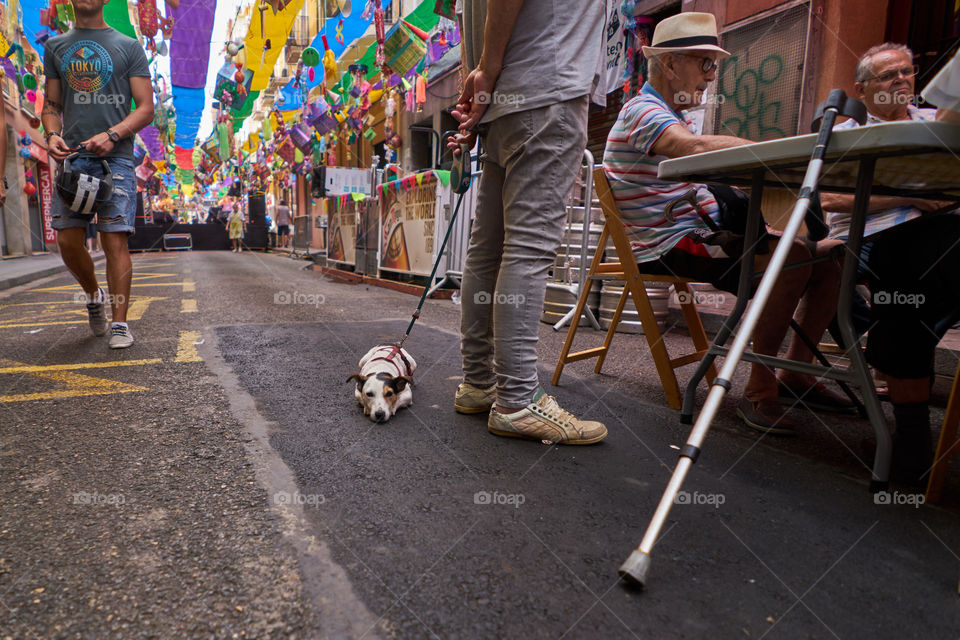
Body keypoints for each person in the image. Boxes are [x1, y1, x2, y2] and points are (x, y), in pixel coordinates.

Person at [604, 12, 851, 436]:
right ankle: (759, 386)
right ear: (669, 64)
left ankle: (794, 372)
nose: (711, 76)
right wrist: (777, 154)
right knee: (791, 256)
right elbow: (692, 147)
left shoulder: (666, 112)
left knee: (831, 256)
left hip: (702, 234)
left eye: (714, 65)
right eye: (705, 63)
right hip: (669, 243)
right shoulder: (642, 110)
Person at [446, 0, 608, 445]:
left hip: (506, 101)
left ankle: (480, 382)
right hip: (546, 89)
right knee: (528, 248)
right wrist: (487, 68)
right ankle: (517, 399)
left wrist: (484, 78)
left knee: (490, 246)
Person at [821, 43, 960, 485]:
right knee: (905, 268)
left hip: (939, 239)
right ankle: (912, 436)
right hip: (873, 238)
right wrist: (911, 196)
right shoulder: (848, 130)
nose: (902, 79)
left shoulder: (936, 123)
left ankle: (911, 436)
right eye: (888, 75)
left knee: (917, 275)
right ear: (862, 88)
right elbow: (828, 198)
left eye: (907, 71)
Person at [42, 0, 153, 349]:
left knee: (114, 237)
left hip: (116, 158)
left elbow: (146, 107)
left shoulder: (129, 46)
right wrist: (51, 134)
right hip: (73, 160)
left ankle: (120, 324)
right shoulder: (55, 47)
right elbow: (51, 106)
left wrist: (114, 134)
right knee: (67, 240)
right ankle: (94, 295)